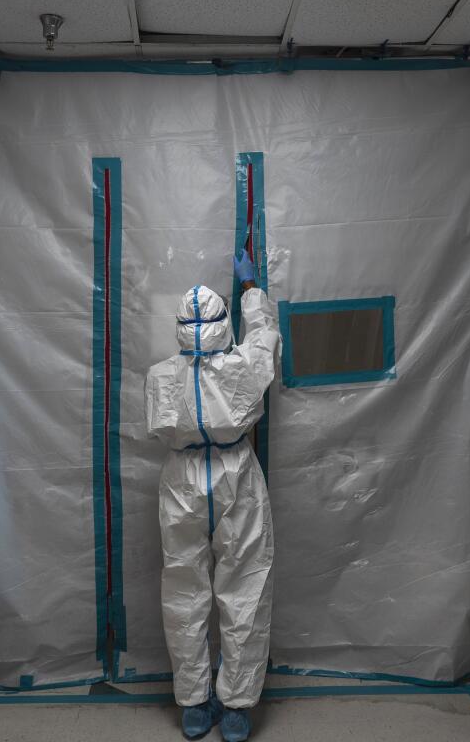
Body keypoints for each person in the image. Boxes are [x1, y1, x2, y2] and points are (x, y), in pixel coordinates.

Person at [146, 249, 281, 742]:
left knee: (185, 590)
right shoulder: (243, 366)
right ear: (224, 325)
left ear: (179, 326)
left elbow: (157, 428)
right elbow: (265, 337)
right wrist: (251, 291)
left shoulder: (161, 375)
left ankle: (195, 703)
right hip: (235, 471)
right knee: (244, 587)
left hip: (181, 479)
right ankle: (238, 706)